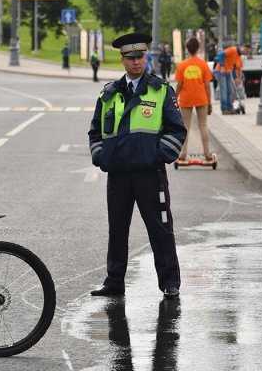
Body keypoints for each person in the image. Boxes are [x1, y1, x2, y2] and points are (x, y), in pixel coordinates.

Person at [87, 33, 187, 299]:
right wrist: (101, 157)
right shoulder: (109, 94)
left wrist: (158, 155)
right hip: (119, 175)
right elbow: (95, 131)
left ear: (146, 57)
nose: (136, 62)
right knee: (117, 229)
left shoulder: (161, 90)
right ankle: (114, 281)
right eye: (130, 58)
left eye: (140, 57)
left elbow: (176, 130)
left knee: (160, 228)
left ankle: (170, 282)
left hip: (149, 174)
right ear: (122, 60)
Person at [174, 37, 214, 162]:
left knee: (185, 127)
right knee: (203, 125)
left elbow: (179, 85)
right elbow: (207, 85)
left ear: (187, 49)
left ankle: (182, 153)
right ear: (198, 48)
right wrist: (209, 102)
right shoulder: (203, 64)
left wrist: (175, 98)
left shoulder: (182, 65)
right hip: (201, 98)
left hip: (186, 99)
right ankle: (207, 153)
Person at [216, 45, 249, 114]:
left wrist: (236, 78)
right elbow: (220, 54)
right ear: (241, 47)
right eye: (245, 50)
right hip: (221, 71)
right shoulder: (233, 50)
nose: (246, 52)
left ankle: (230, 108)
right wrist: (222, 66)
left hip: (228, 72)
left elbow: (233, 67)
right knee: (224, 91)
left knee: (230, 91)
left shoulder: (238, 56)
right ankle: (224, 109)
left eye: (247, 51)